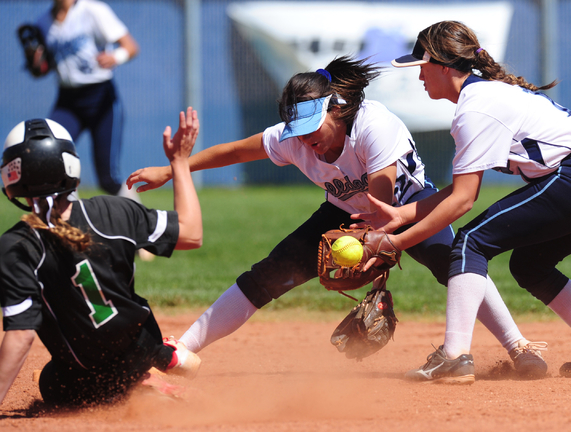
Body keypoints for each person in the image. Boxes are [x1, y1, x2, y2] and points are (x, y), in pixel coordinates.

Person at [126, 56, 546, 378]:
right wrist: (172, 169)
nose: (305, 139)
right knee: (269, 273)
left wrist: (376, 251)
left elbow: (381, 201)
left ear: (336, 109)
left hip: (407, 206)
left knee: (455, 263)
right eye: (297, 129)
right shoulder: (293, 138)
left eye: (313, 125)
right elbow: (237, 151)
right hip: (343, 212)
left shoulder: (373, 126)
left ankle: (520, 347)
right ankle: (183, 346)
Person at [353, 20, 571, 383]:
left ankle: (453, 356)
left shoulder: (476, 107)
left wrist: (396, 242)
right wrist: (401, 213)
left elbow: (463, 202)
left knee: (469, 241)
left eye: (421, 67)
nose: (419, 77)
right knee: (531, 266)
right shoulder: (483, 96)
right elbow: (458, 192)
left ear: (442, 64)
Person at [0, 108, 202, 406]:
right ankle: (158, 360)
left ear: (12, 176)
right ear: (71, 169)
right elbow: (191, 234)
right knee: (125, 343)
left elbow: (21, 336)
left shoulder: (17, 245)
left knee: (50, 383)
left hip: (85, 378)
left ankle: (135, 386)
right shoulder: (115, 211)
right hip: (140, 348)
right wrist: (179, 162)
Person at [22, 0, 139, 199]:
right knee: (50, 164)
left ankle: (142, 221)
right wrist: (37, 65)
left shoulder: (92, 10)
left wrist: (116, 56)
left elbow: (131, 46)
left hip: (100, 98)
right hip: (68, 101)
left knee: (108, 179)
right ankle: (68, 226)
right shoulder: (43, 23)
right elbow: (42, 70)